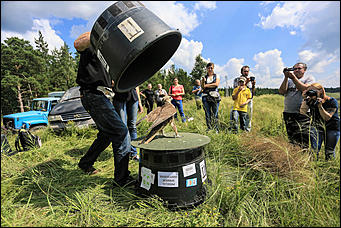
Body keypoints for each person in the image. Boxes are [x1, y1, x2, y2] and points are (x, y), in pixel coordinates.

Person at [74, 31, 134, 187]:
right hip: (93, 95)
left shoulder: (107, 53)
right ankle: (122, 179)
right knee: (121, 132)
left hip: (101, 95)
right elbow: (77, 44)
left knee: (106, 134)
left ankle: (85, 163)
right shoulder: (92, 42)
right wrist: (100, 32)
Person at [300, 83, 340, 160]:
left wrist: (320, 106)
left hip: (332, 128)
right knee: (314, 150)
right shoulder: (310, 101)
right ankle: (314, 167)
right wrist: (305, 99)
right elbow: (302, 112)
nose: (311, 93)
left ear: (321, 91)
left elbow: (327, 118)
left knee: (329, 151)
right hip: (317, 127)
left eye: (313, 91)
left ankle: (330, 168)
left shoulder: (331, 101)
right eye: (309, 91)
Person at [279, 62, 314, 148]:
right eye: (295, 69)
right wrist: (286, 77)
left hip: (303, 114)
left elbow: (305, 89)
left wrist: (293, 78)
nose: (296, 70)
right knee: (292, 138)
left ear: (304, 70)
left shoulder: (309, 79)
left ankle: (304, 157)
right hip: (289, 112)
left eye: (299, 68)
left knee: (303, 137)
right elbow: (282, 91)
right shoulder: (289, 80)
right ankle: (294, 155)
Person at [112, 87, 143, 161]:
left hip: (133, 98)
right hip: (120, 98)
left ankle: (133, 153)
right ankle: (124, 154)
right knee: (123, 127)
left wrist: (139, 103)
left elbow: (137, 86)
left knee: (132, 126)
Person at [230, 66, 256, 132]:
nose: (246, 73)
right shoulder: (237, 79)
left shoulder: (250, 80)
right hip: (238, 101)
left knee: (248, 115)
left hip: (248, 100)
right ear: (241, 71)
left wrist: (253, 85)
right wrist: (246, 83)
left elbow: (253, 93)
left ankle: (247, 129)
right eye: (245, 71)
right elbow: (237, 89)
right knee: (234, 114)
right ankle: (234, 129)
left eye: (247, 71)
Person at [201, 62, 220, 132]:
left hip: (214, 96)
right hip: (205, 97)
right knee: (207, 114)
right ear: (206, 69)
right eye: (208, 68)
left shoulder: (217, 76)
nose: (210, 69)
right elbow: (202, 86)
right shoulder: (204, 77)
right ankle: (209, 128)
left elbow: (216, 84)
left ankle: (216, 129)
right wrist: (203, 82)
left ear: (213, 68)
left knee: (215, 113)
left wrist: (206, 85)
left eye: (211, 68)